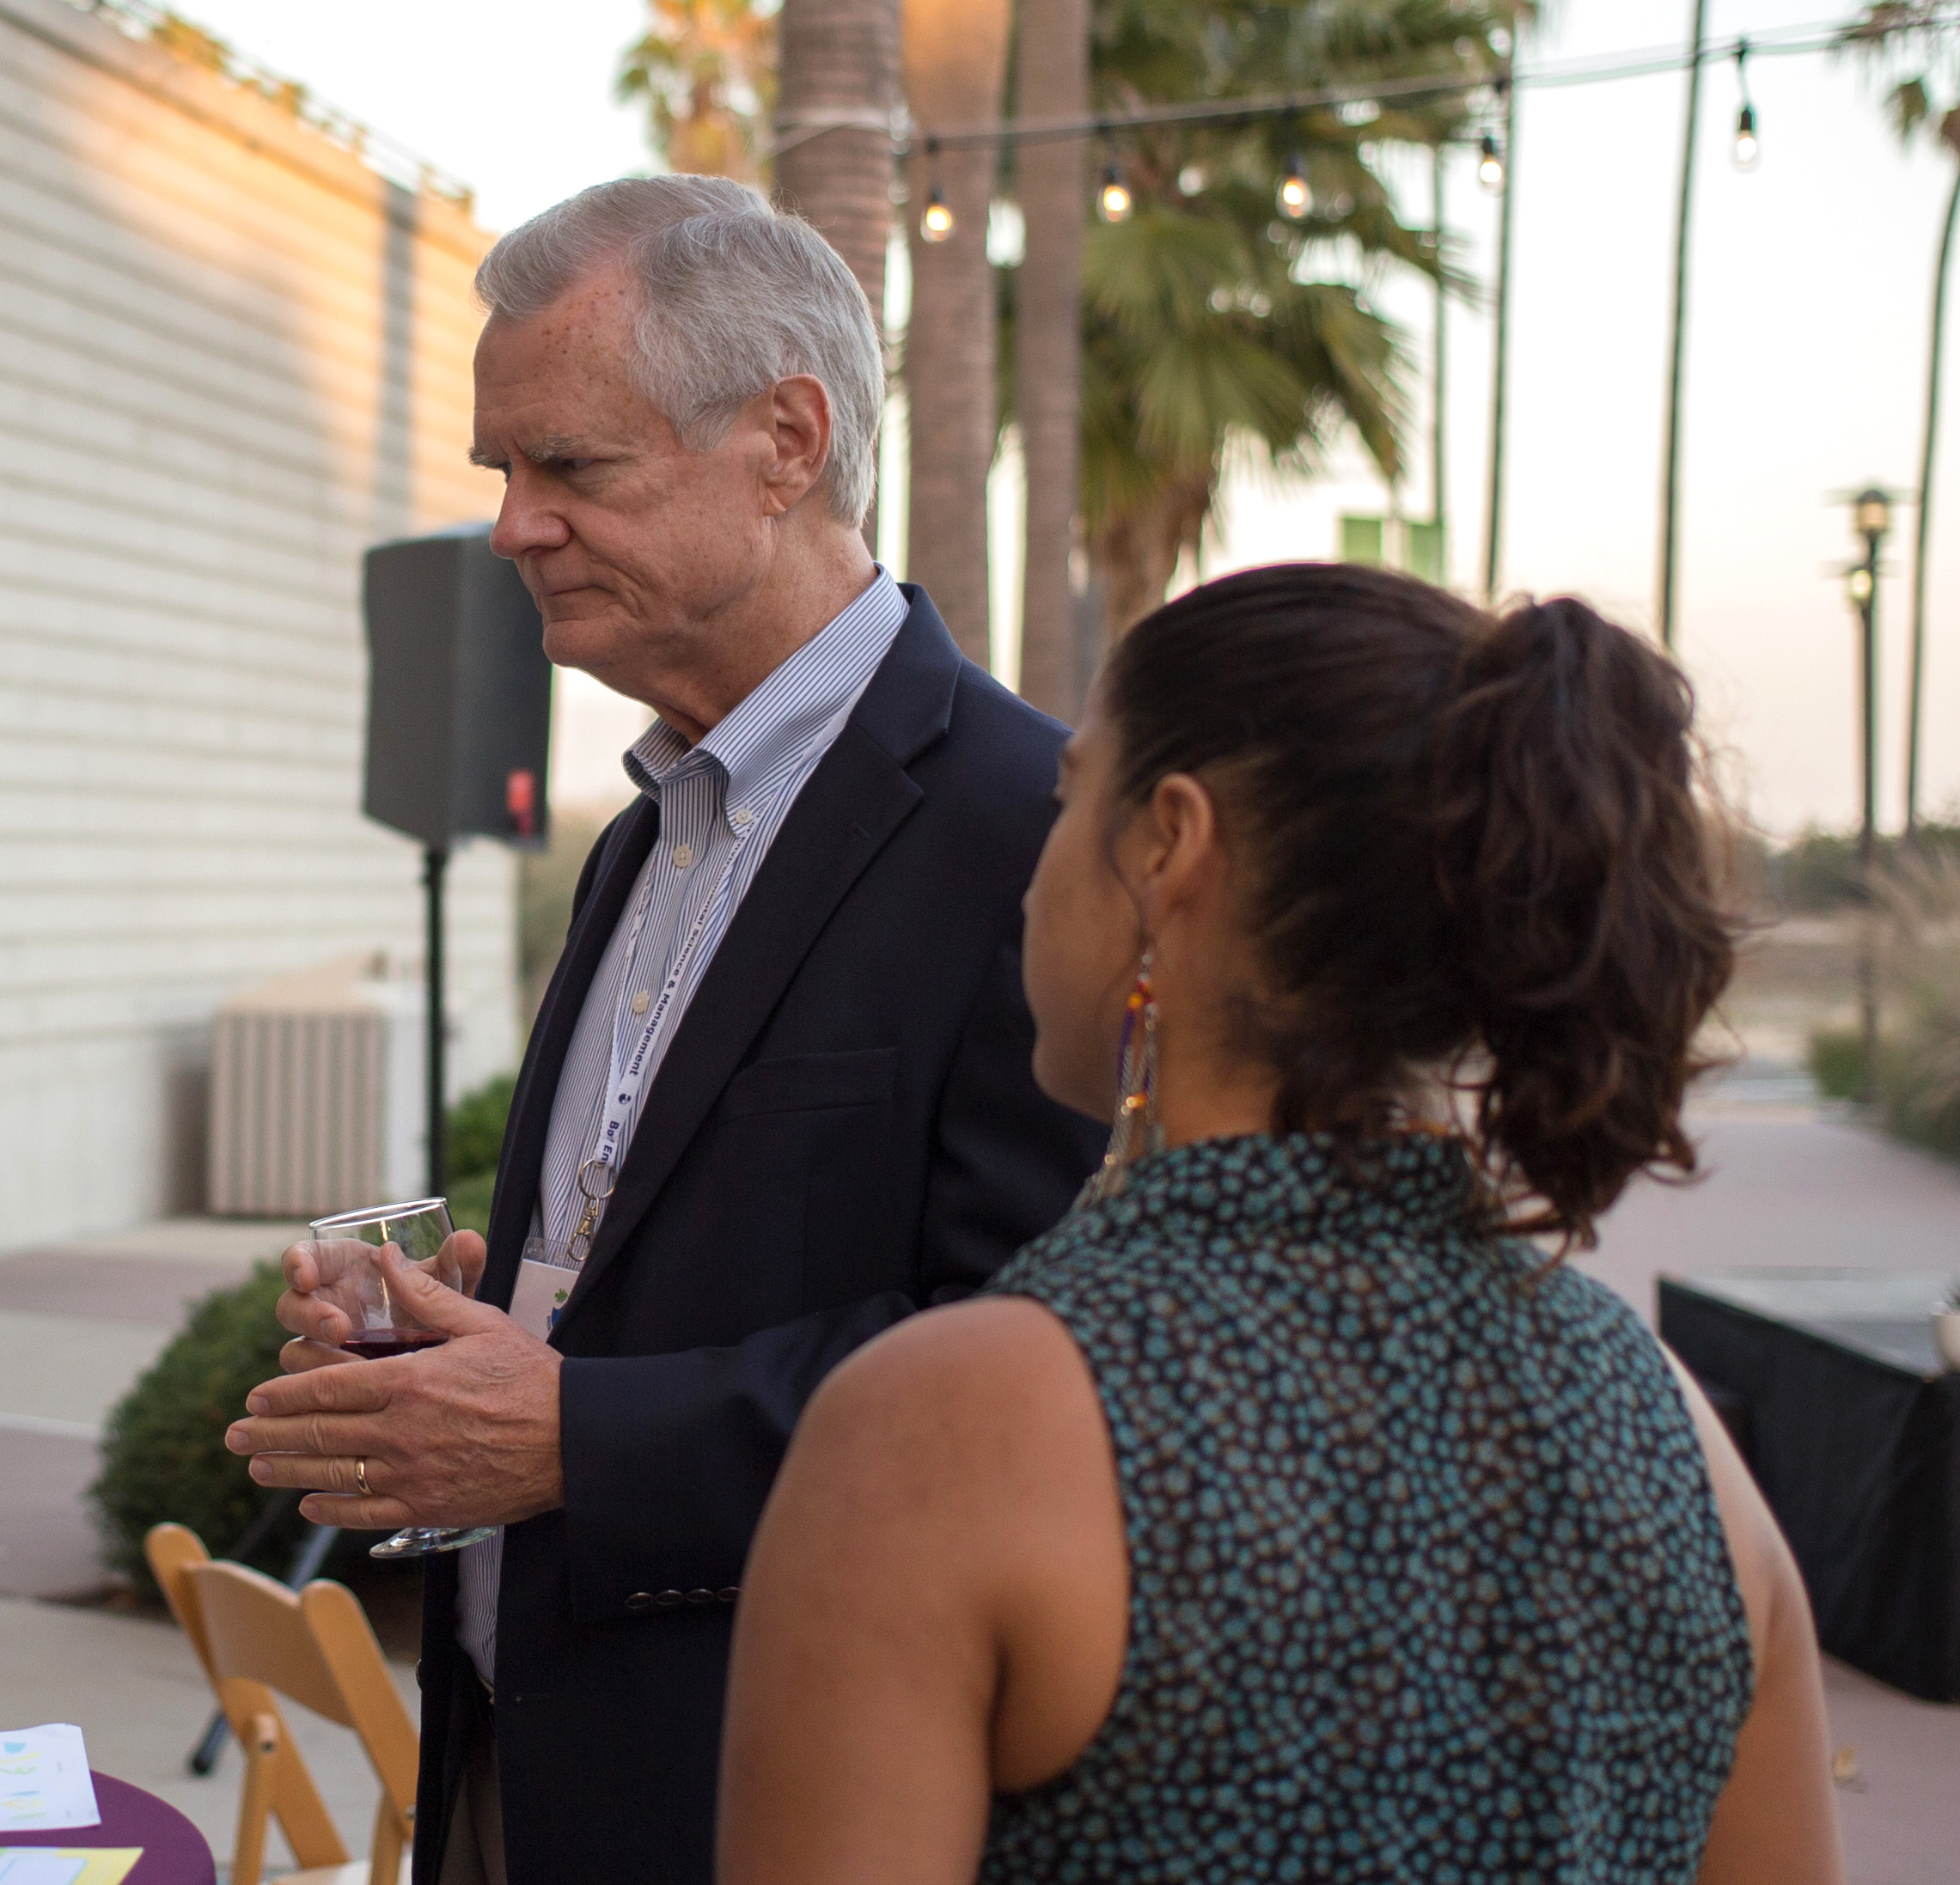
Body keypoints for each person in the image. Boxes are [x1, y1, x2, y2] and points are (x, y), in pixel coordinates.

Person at [227, 174, 1099, 1885]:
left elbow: (1050, 1361)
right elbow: (657, 1274)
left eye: (572, 467)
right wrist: (471, 1332)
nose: (510, 528)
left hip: (772, 1807)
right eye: (502, 472)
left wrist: (576, 1435)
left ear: (787, 441)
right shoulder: (644, 824)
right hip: (502, 1769)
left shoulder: (1031, 827)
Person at [717, 566, 1841, 1883]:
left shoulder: (940, 1430)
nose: (1032, 880)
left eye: (1072, 798)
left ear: (1168, 848)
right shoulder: (1673, 1433)